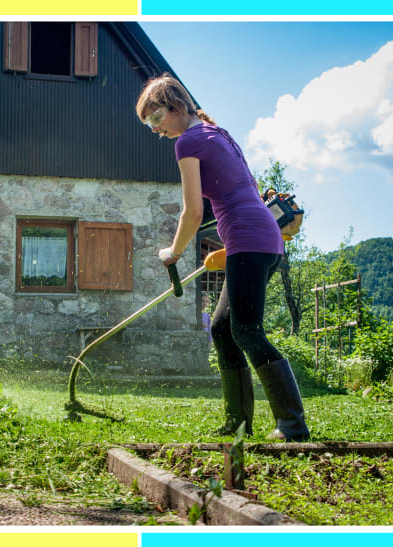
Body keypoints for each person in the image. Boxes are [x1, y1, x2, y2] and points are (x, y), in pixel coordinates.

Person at [135, 73, 311, 442]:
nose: (154, 129)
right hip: (258, 238)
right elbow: (236, 196)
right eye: (148, 124)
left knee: (246, 330)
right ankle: (239, 423)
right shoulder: (216, 133)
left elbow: (193, 213)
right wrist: (229, 248)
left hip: (251, 238)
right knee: (223, 329)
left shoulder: (188, 142)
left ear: (176, 107)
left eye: (155, 119)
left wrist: (174, 251)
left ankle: (293, 426)